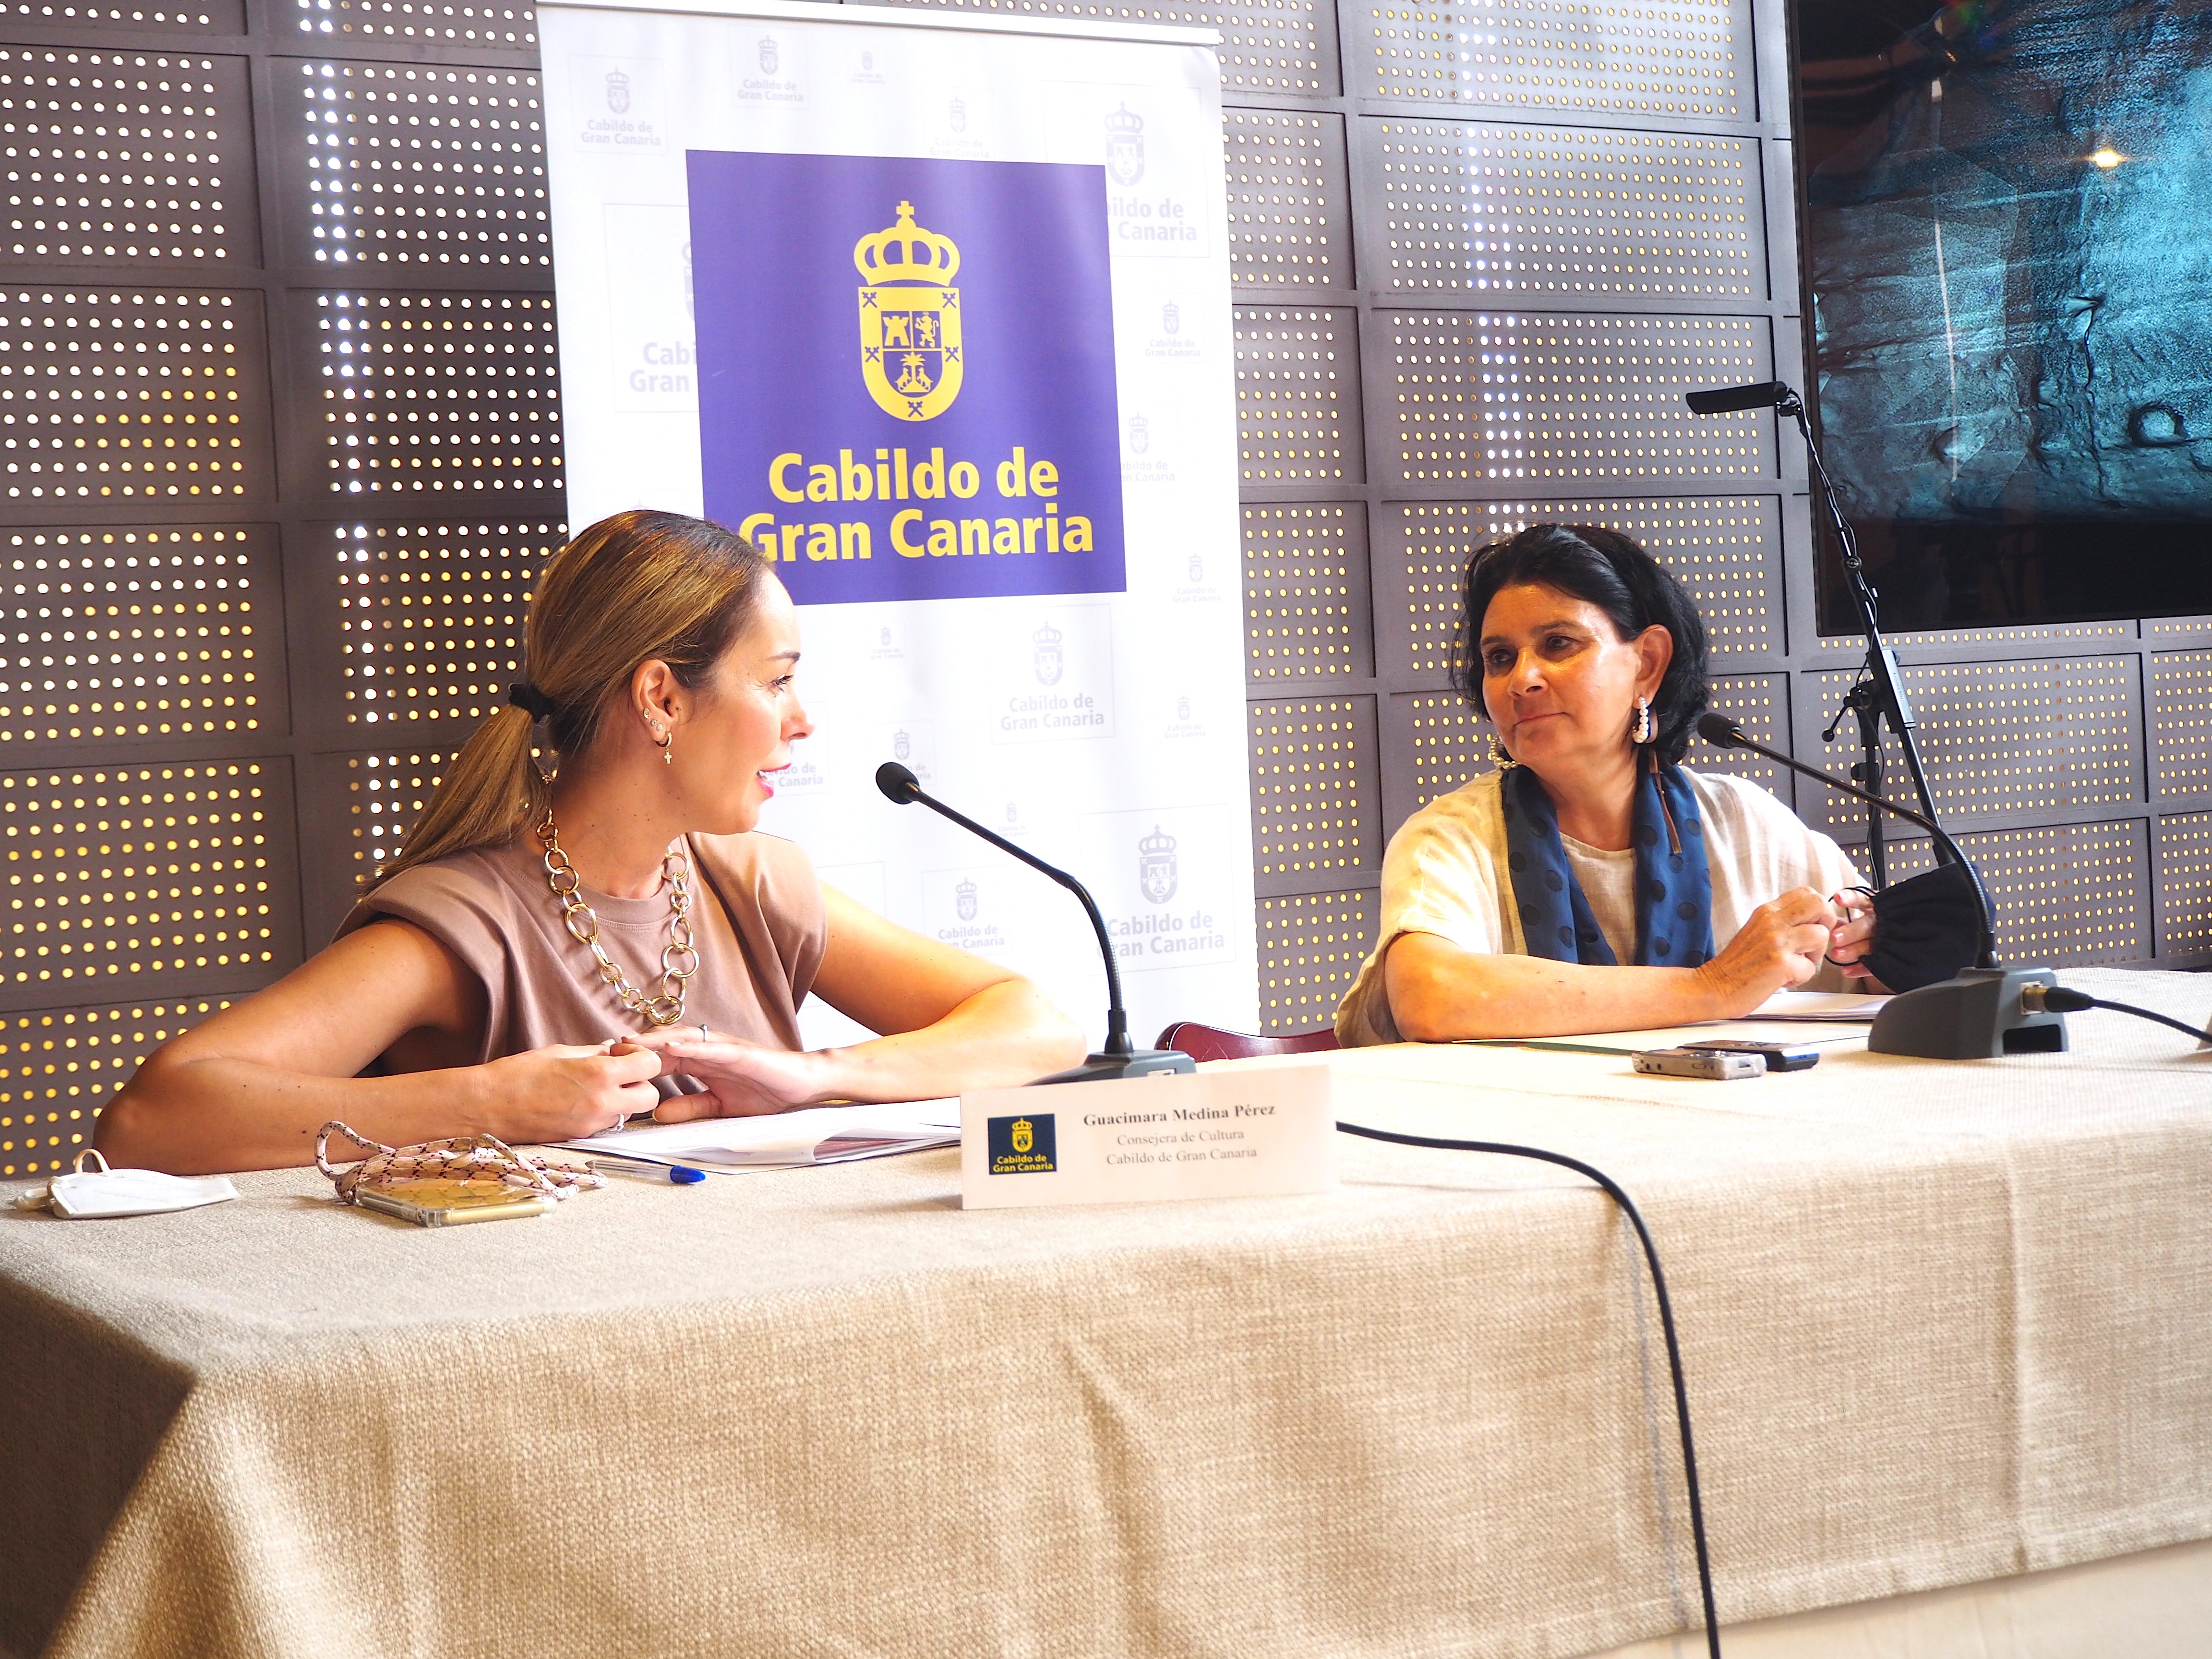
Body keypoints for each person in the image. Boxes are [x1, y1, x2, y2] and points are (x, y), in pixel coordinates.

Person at [97, 511, 1087, 1174]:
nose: (803, 721)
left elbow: (1039, 1029)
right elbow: (152, 1120)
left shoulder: (756, 882)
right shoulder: (466, 925)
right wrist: (487, 1103)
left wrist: (816, 1076)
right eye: (778, 680)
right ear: (662, 697)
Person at [1336, 523, 1883, 1046]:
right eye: (1500, 658)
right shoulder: (1450, 838)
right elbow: (1431, 997)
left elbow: (1871, 976)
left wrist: (1882, 945)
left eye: (1557, 644)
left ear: (1647, 664)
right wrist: (1714, 987)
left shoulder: (1745, 821)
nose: (1522, 679)